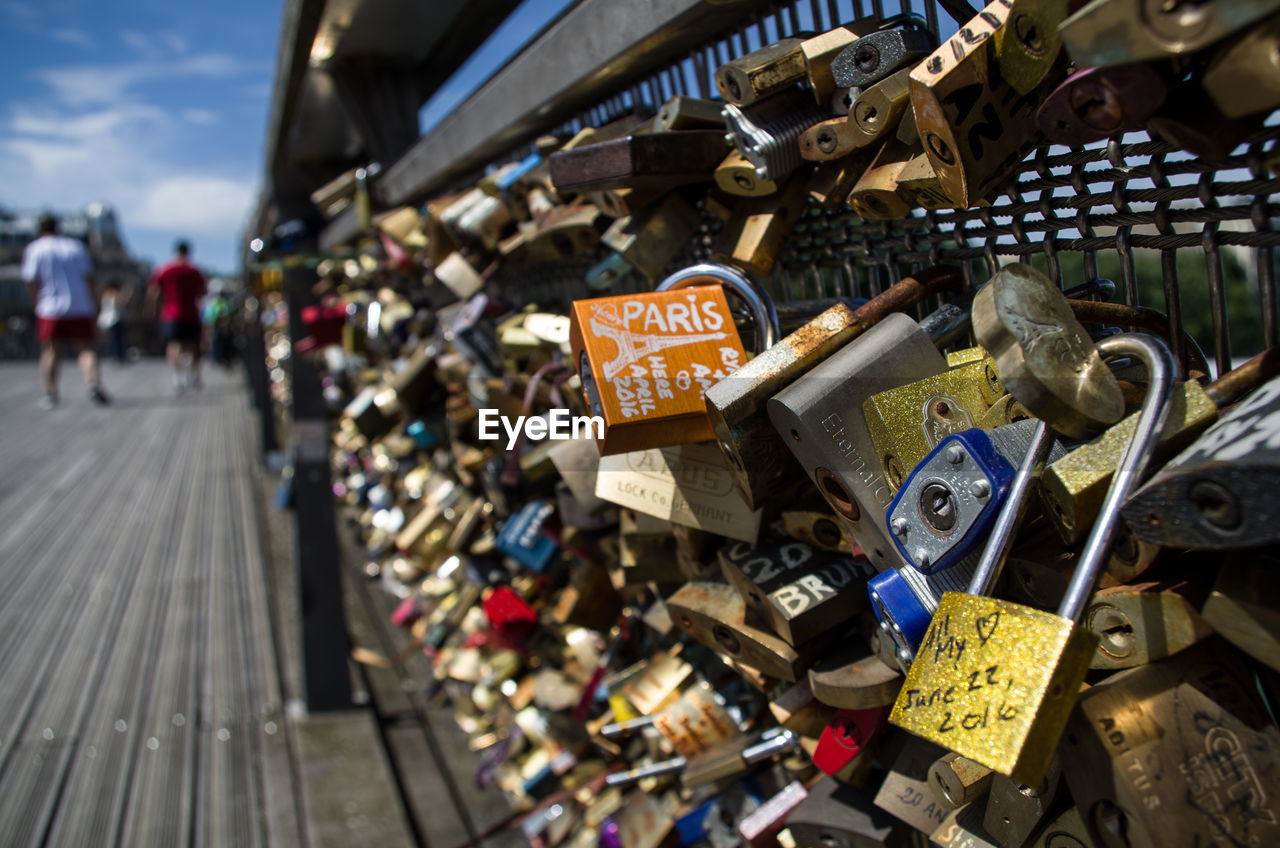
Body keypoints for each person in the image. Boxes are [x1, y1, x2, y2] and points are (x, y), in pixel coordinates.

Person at [22, 213, 110, 408]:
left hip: (49, 307)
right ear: (58, 228)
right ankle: (93, 384)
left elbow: (31, 280)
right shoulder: (75, 247)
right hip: (80, 305)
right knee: (86, 349)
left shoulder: (35, 249)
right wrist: (94, 304)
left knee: (51, 350)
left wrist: (37, 301)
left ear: (40, 230)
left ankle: (50, 393)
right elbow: (90, 278)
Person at [146, 239, 207, 393]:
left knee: (173, 345)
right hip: (191, 312)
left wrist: (151, 309)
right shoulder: (194, 270)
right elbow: (203, 292)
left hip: (171, 312)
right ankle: (194, 374)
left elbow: (154, 291)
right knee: (193, 344)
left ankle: (178, 376)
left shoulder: (166, 269)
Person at [98, 282, 129, 364]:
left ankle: (115, 355)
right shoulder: (112, 294)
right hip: (114, 319)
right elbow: (120, 302)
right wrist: (126, 294)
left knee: (114, 339)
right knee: (117, 339)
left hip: (109, 320)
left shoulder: (104, 295)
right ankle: (117, 356)